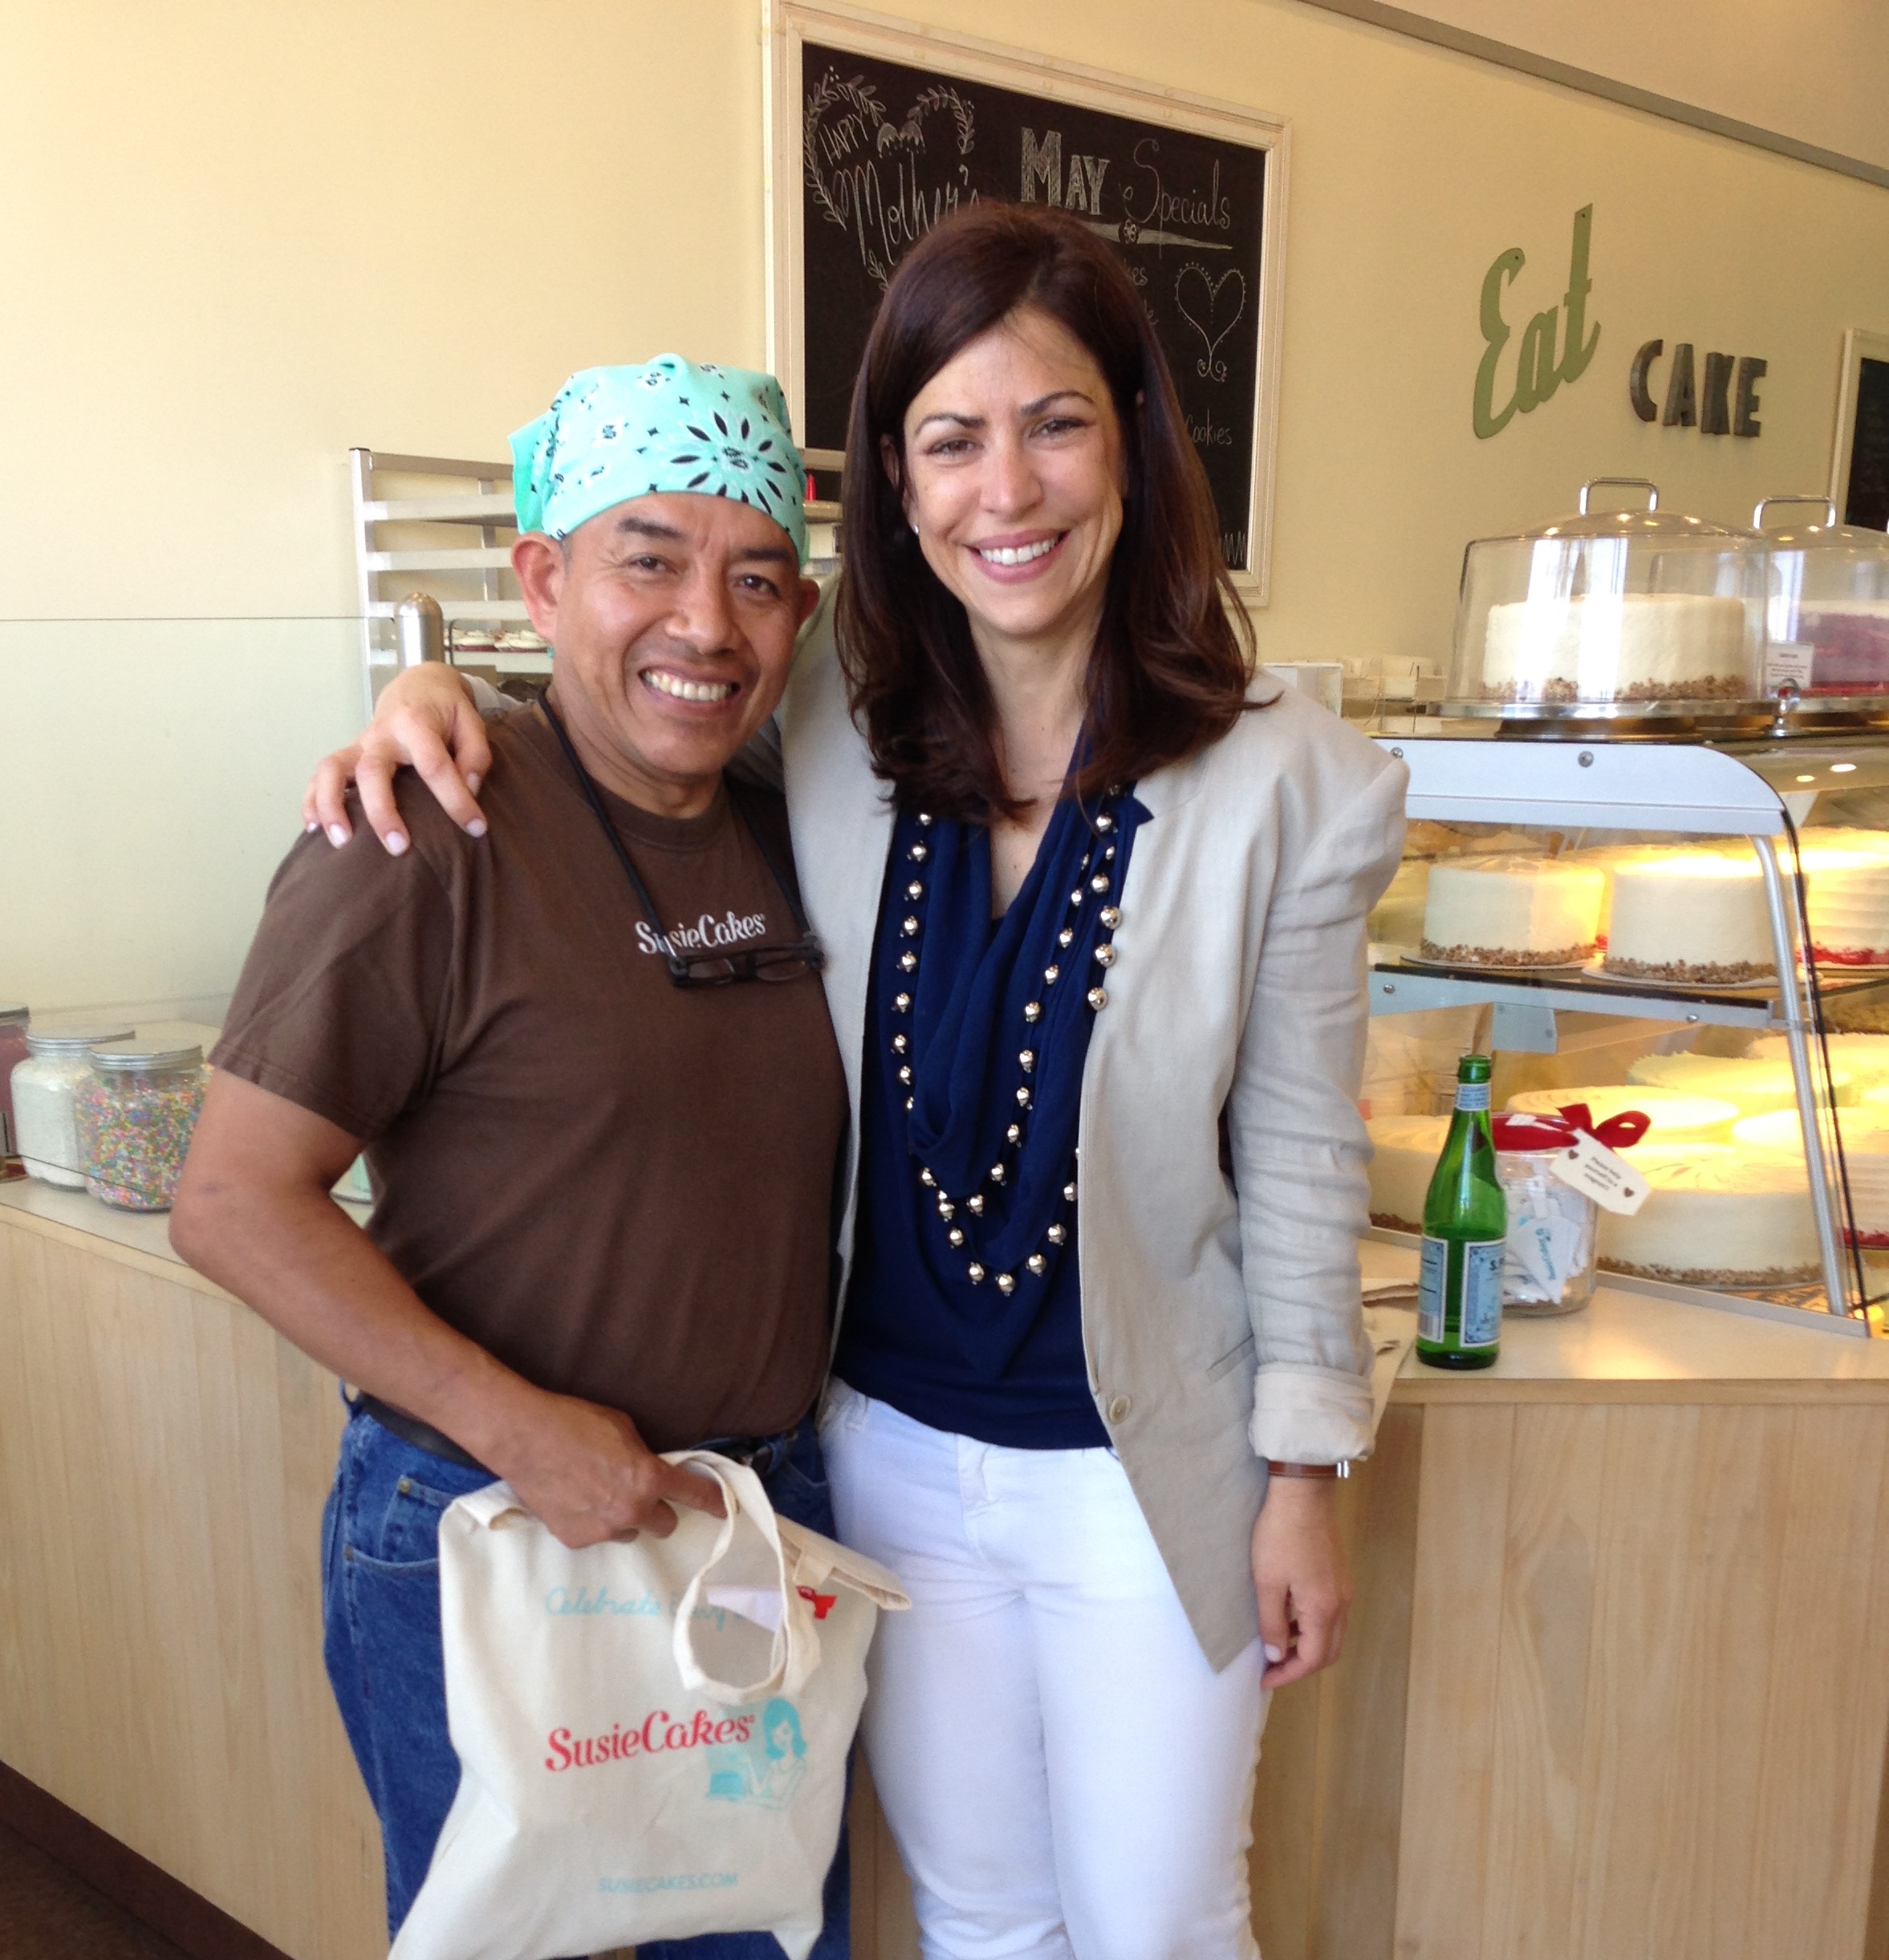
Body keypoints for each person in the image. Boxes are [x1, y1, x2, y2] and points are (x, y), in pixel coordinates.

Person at [311, 202, 1408, 1960]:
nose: (1007, 489)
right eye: (951, 439)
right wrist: (427, 687)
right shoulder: (834, 718)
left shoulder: (1293, 778)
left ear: (1133, 441)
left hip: (1142, 1472)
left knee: (1160, 1924)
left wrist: (1304, 1476)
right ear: (896, 482)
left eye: (1055, 424)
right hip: (882, 1458)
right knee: (977, 1916)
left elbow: (1297, 1154)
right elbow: (625, 679)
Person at [171, 355, 857, 1957]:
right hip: (484, 1517)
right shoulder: (422, 833)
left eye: (758, 579)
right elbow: (232, 1202)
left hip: (744, 1519)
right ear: (543, 582)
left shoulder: (796, 819)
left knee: (758, 1936)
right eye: (648, 561)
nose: (707, 623)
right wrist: (519, 1430)